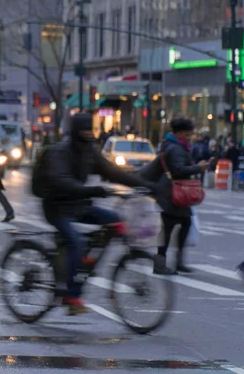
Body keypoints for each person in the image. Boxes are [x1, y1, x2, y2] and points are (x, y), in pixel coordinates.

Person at [42, 113, 158, 315]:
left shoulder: (89, 152)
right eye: (84, 129)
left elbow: (114, 172)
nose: (88, 133)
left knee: (115, 221)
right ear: (76, 131)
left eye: (90, 129)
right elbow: (61, 181)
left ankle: (86, 256)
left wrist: (147, 186)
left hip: (79, 205)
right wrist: (93, 191)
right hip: (56, 208)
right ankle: (71, 296)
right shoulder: (60, 152)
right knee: (76, 242)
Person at [152, 118, 209, 275]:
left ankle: (175, 261)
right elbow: (178, 170)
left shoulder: (173, 145)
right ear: (180, 133)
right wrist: (198, 167)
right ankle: (162, 263)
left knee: (183, 224)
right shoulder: (176, 148)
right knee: (169, 228)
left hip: (174, 194)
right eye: (187, 133)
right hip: (173, 194)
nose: (190, 136)